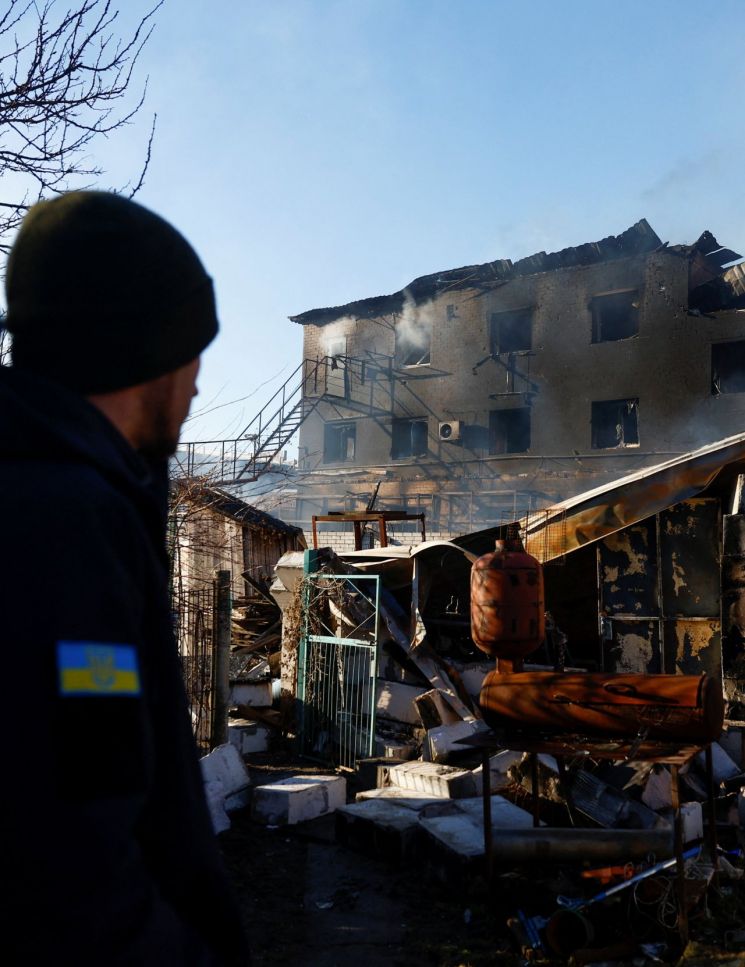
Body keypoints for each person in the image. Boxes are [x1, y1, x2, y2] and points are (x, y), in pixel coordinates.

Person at [1, 192, 249, 965]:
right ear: (149, 350)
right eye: (194, 351)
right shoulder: (60, 523)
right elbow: (71, 866)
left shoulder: (57, 492)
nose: (200, 383)